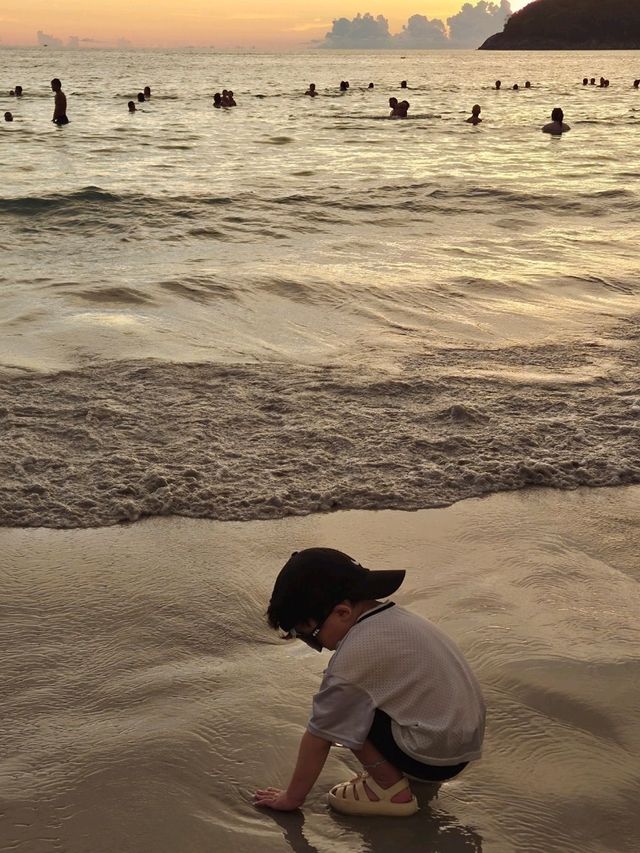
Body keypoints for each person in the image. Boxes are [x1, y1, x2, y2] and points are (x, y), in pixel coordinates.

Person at [254, 548, 485, 816]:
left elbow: (319, 734)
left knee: (342, 707)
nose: (316, 646)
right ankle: (402, 767)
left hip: (433, 758)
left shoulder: (356, 653)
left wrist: (291, 798)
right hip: (460, 745)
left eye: (309, 636)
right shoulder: (397, 618)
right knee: (356, 698)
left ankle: (388, 788)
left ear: (342, 612)